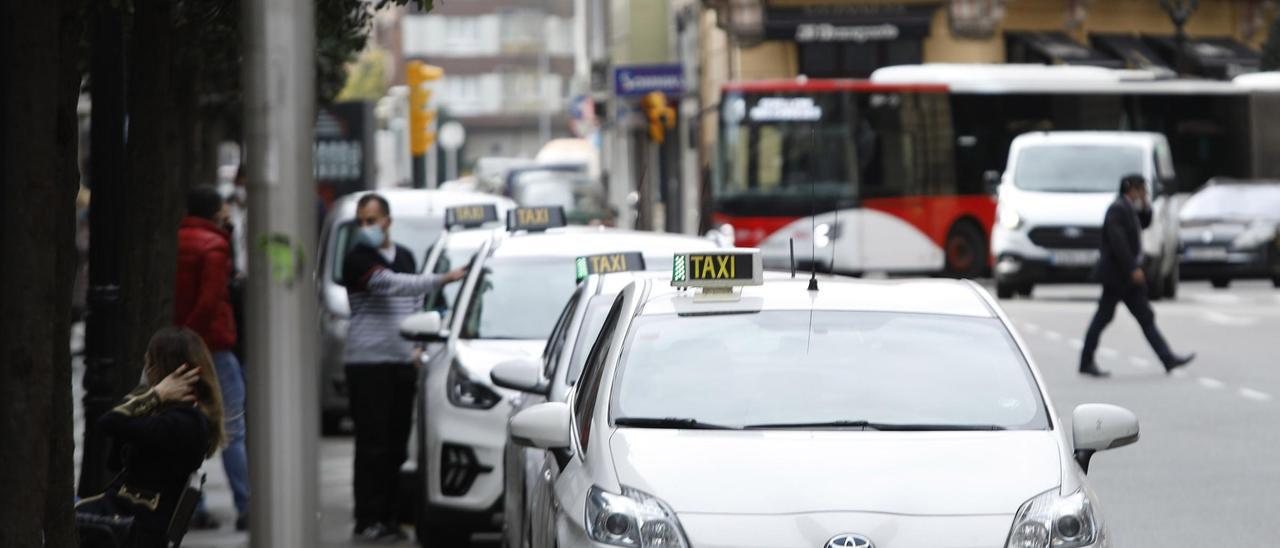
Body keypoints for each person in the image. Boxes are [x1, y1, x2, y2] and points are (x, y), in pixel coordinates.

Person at [342, 193, 466, 541]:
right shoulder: (357, 259)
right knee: (372, 444)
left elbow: (415, 303)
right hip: (368, 364)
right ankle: (367, 518)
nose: (366, 227)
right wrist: (442, 278)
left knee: (396, 445)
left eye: (372, 220)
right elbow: (391, 284)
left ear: (387, 221)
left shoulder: (406, 256)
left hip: (401, 363)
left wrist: (418, 346)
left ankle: (391, 517)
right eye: (361, 221)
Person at [84, 327, 226, 548]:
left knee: (48, 517)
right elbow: (114, 460)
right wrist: (153, 399)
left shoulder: (183, 422)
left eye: (149, 363)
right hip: (124, 516)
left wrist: (154, 393)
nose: (145, 370)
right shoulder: (176, 416)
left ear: (164, 370)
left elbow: (109, 422)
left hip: (131, 525)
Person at [174, 185, 249, 530]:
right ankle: (247, 503)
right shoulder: (215, 246)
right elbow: (209, 298)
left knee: (185, 429)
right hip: (212, 345)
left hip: (181, 343)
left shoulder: (178, 238)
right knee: (233, 427)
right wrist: (193, 337)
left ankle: (191, 506)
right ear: (215, 211)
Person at [1079, 174, 1195, 377]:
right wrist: (1133, 268)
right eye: (1142, 190)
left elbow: (1145, 222)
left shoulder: (1129, 207)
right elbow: (1118, 243)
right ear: (1131, 189)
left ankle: (1167, 358)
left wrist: (1146, 204)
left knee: (1143, 317)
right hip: (1118, 276)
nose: (1145, 193)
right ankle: (1086, 361)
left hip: (1124, 277)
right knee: (1105, 318)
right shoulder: (1117, 209)